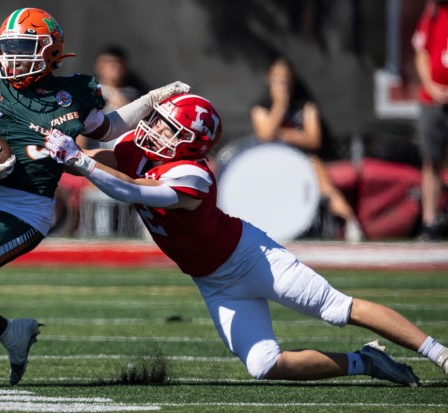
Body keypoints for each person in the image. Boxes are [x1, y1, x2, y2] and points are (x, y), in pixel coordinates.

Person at [45, 92, 448, 386]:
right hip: (214, 283)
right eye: (156, 120)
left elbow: (134, 190)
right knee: (264, 365)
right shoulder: (140, 148)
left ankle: (439, 354)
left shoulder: (193, 174)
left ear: (189, 139)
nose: (152, 128)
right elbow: (101, 165)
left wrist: (77, 159)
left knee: (337, 308)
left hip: (250, 259)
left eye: (166, 125)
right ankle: (365, 362)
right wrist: (57, 150)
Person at [0, 7, 189, 388]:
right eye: (8, 46)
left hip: (27, 210)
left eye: (24, 47)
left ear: (51, 52)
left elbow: (108, 127)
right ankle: (11, 333)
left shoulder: (76, 92)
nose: (12, 56)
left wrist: (149, 100)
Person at [249, 57, 363, 242]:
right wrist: (280, 105)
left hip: (303, 158)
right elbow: (266, 136)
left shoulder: (305, 106)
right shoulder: (261, 107)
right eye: (277, 78)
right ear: (269, 80)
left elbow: (313, 139)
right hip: (271, 161)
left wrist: (283, 134)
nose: (282, 83)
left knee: (322, 181)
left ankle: (349, 222)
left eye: (285, 78)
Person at [412, 0, 448, 241]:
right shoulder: (433, 12)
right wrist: (431, 87)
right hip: (432, 100)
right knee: (431, 160)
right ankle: (430, 222)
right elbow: (421, 53)